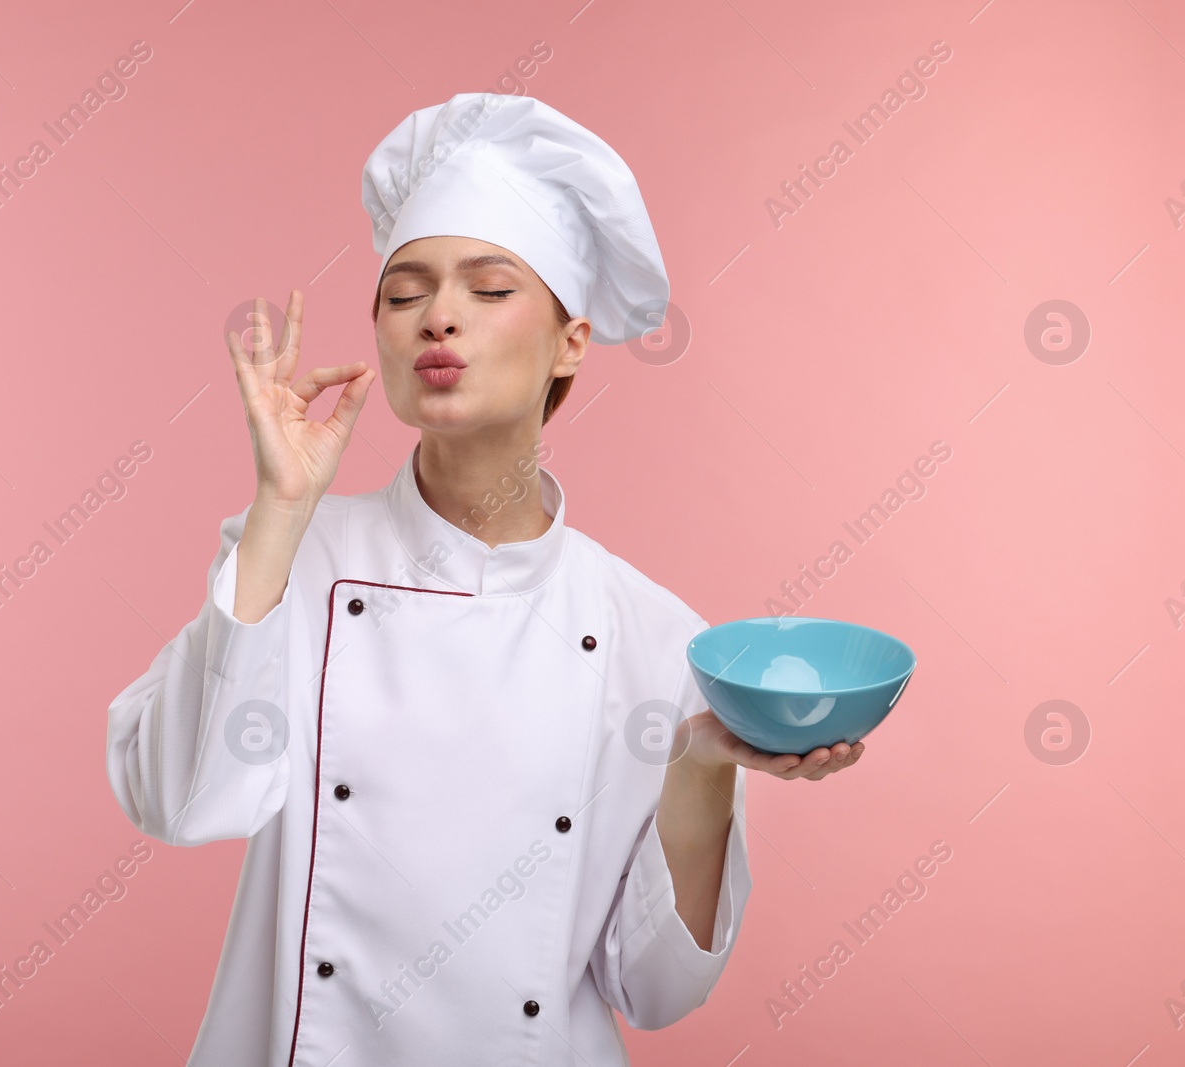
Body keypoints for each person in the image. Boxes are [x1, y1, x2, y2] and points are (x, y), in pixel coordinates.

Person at [105, 91, 864, 1067]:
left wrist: (702, 765)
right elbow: (176, 797)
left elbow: (657, 989)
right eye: (406, 289)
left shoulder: (651, 632)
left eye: (490, 288)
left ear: (571, 339)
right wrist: (279, 507)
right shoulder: (294, 554)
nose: (440, 316)